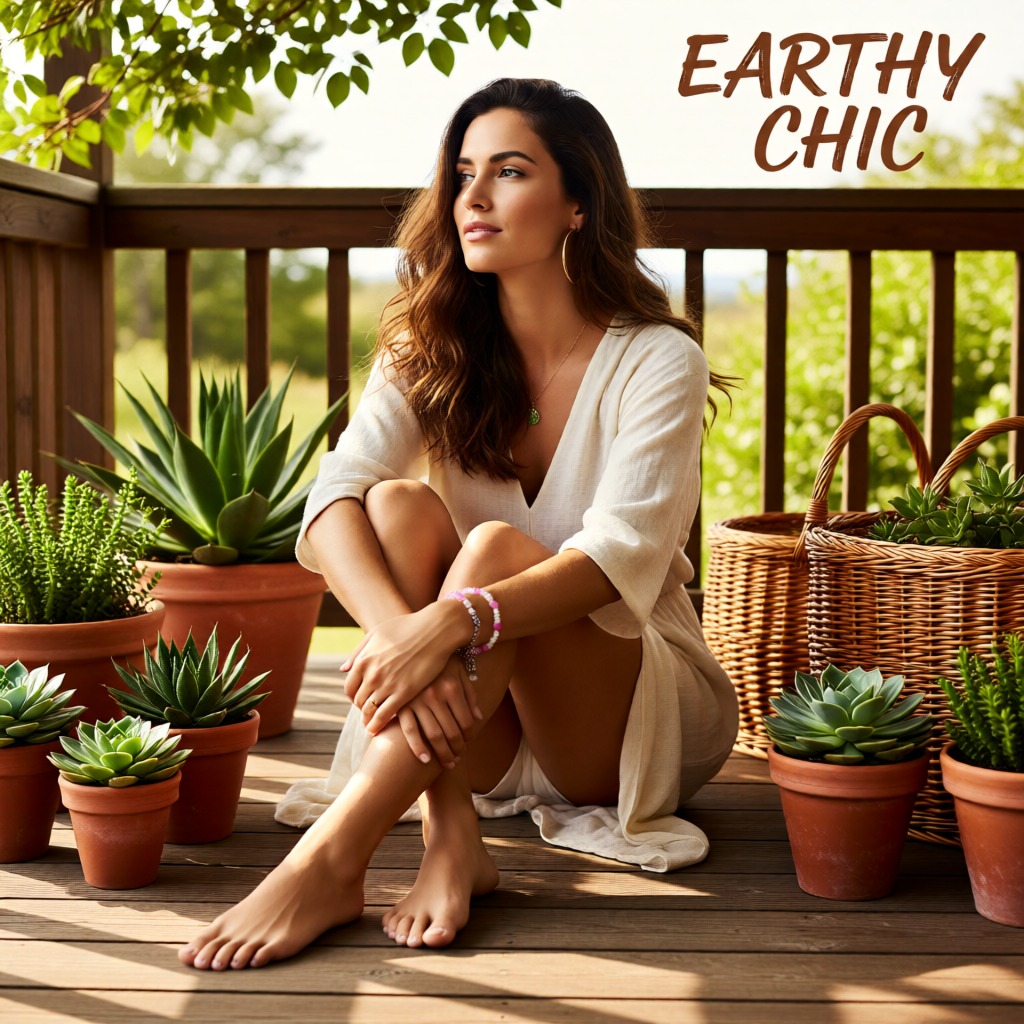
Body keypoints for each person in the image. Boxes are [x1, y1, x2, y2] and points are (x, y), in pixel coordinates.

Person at [179, 77, 738, 972]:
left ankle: (332, 855)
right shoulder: (427, 343)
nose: (472, 198)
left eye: (508, 172)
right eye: (463, 173)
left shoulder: (657, 357)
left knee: (494, 551)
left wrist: (451, 619)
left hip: (617, 719)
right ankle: (450, 834)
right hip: (474, 728)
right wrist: (403, 632)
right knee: (393, 506)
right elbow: (333, 500)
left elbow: (616, 560)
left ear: (577, 204)